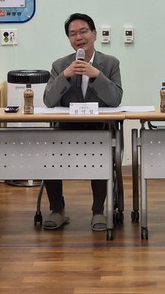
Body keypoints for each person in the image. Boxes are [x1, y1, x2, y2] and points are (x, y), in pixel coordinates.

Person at [42, 13, 123, 231]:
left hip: (100, 130)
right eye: (73, 34)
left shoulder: (110, 63)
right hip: (66, 131)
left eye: (83, 31)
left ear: (94, 34)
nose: (79, 37)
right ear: (69, 39)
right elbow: (48, 101)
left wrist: (97, 75)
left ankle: (98, 211)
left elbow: (115, 99)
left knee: (102, 153)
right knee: (47, 154)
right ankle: (57, 209)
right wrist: (65, 76)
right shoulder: (60, 65)